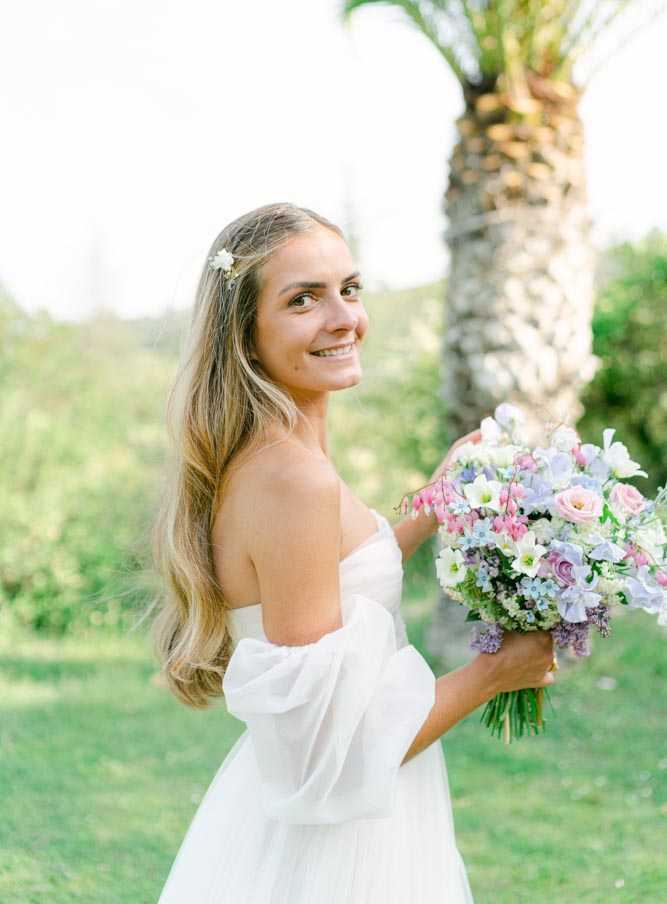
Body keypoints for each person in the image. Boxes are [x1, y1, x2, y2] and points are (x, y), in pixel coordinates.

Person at [152, 202, 556, 903]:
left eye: (348, 288)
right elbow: (325, 755)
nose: (343, 318)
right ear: (245, 337)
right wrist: (494, 673)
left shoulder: (282, 458)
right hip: (334, 848)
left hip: (358, 816)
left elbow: (334, 582)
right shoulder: (290, 478)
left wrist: (433, 502)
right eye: (302, 299)